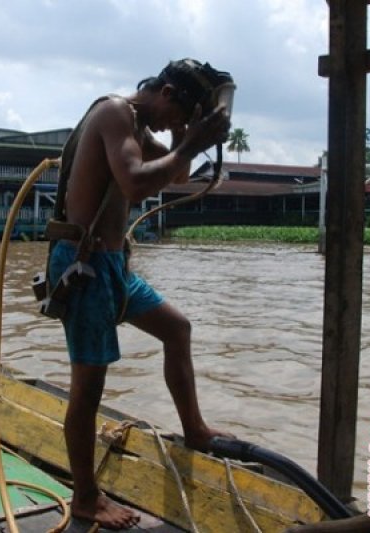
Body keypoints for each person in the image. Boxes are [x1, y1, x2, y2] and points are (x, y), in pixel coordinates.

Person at [48, 58, 233, 529]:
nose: (176, 126)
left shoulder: (138, 124)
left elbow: (177, 176)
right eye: (178, 115)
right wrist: (190, 139)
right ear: (167, 92)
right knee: (88, 389)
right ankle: (86, 497)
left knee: (177, 328)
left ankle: (194, 430)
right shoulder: (114, 112)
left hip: (113, 265)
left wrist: (186, 140)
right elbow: (134, 180)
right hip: (83, 265)